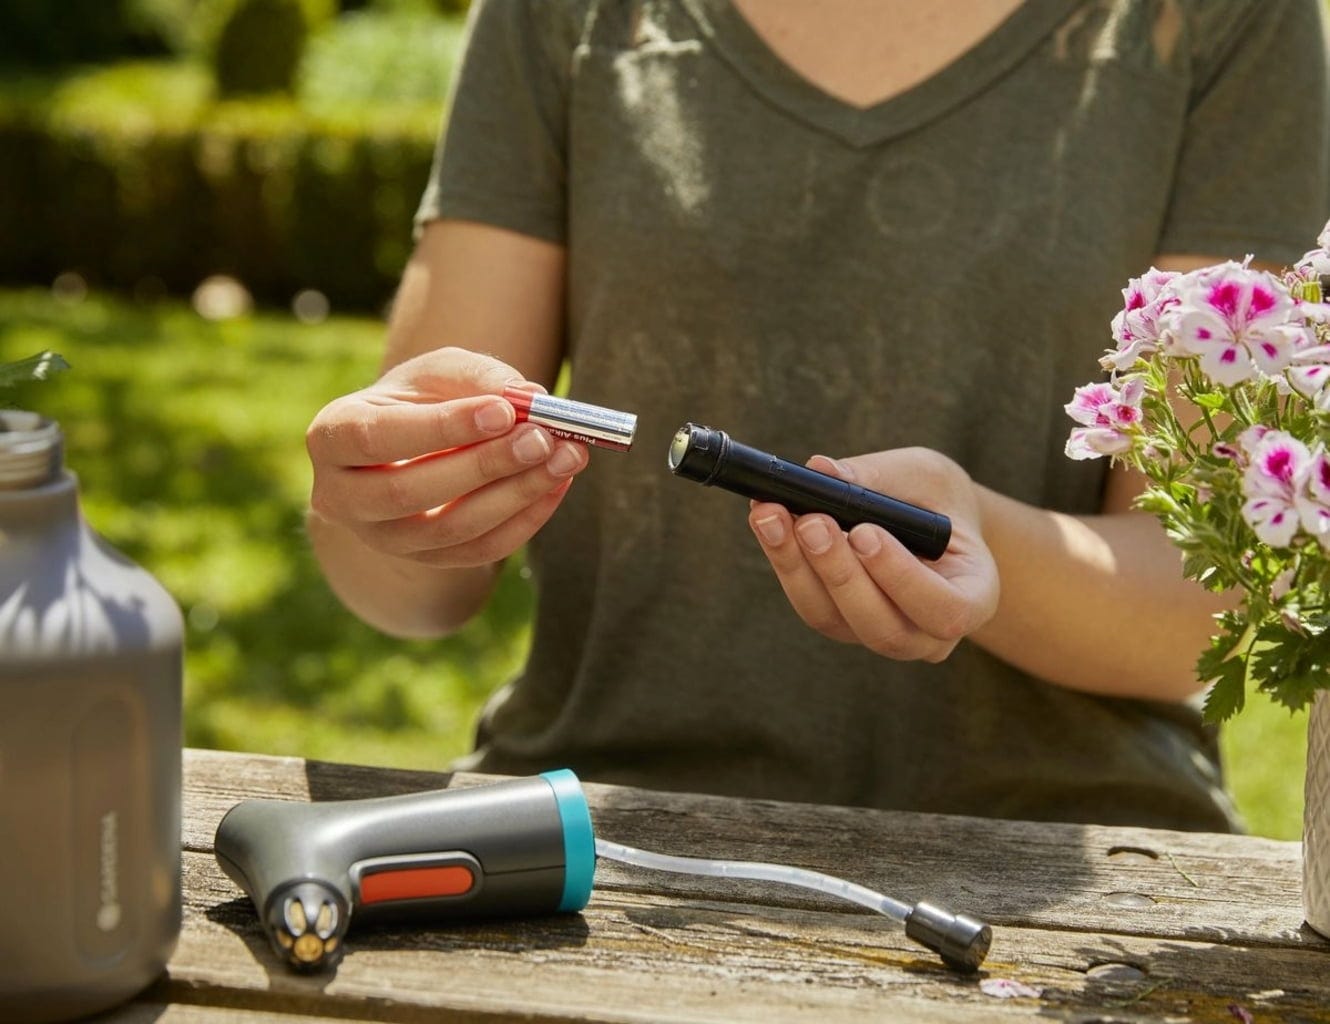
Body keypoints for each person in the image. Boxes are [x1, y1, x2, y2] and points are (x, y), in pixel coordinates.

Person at [305, 0, 1330, 831]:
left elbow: (1204, 602)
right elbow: (407, 579)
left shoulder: (1220, 20)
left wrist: (978, 542)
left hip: (1074, 851)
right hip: (598, 831)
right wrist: (380, 501)